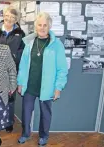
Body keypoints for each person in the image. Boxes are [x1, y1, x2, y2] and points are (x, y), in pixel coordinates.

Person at [17, 12, 68, 146]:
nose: (42, 27)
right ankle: (25, 133)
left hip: (47, 86)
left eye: (45, 25)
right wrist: (20, 83)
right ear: (36, 26)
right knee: (26, 112)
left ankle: (44, 136)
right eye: (40, 25)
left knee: (45, 113)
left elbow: (62, 69)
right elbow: (23, 65)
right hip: (30, 85)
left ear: (49, 26)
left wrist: (58, 87)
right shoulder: (29, 43)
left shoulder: (56, 45)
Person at [0, 6, 25, 133]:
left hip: (12, 71)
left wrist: (14, 57)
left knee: (10, 98)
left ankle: (8, 122)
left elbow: (22, 52)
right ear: (4, 16)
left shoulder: (20, 33)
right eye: (7, 16)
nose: (9, 19)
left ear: (16, 19)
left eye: (13, 17)